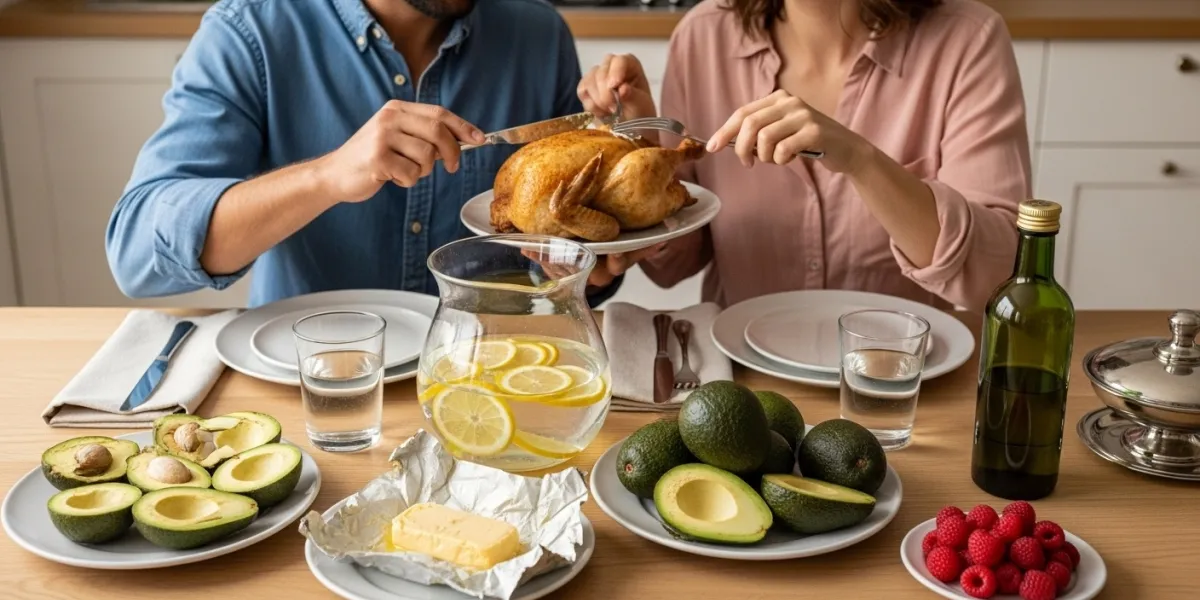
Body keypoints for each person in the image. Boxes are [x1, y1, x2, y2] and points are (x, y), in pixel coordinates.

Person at [106, 0, 623, 307]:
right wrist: (325, 177)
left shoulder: (538, 34)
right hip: (310, 388)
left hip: (492, 383)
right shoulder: (251, 30)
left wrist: (590, 259)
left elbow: (570, 272)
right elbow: (137, 255)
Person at [578, 0, 1030, 311]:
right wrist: (642, 145)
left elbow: (997, 276)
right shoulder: (703, 36)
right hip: (739, 389)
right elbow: (676, 264)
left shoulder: (969, 39)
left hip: (899, 390)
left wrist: (859, 159)